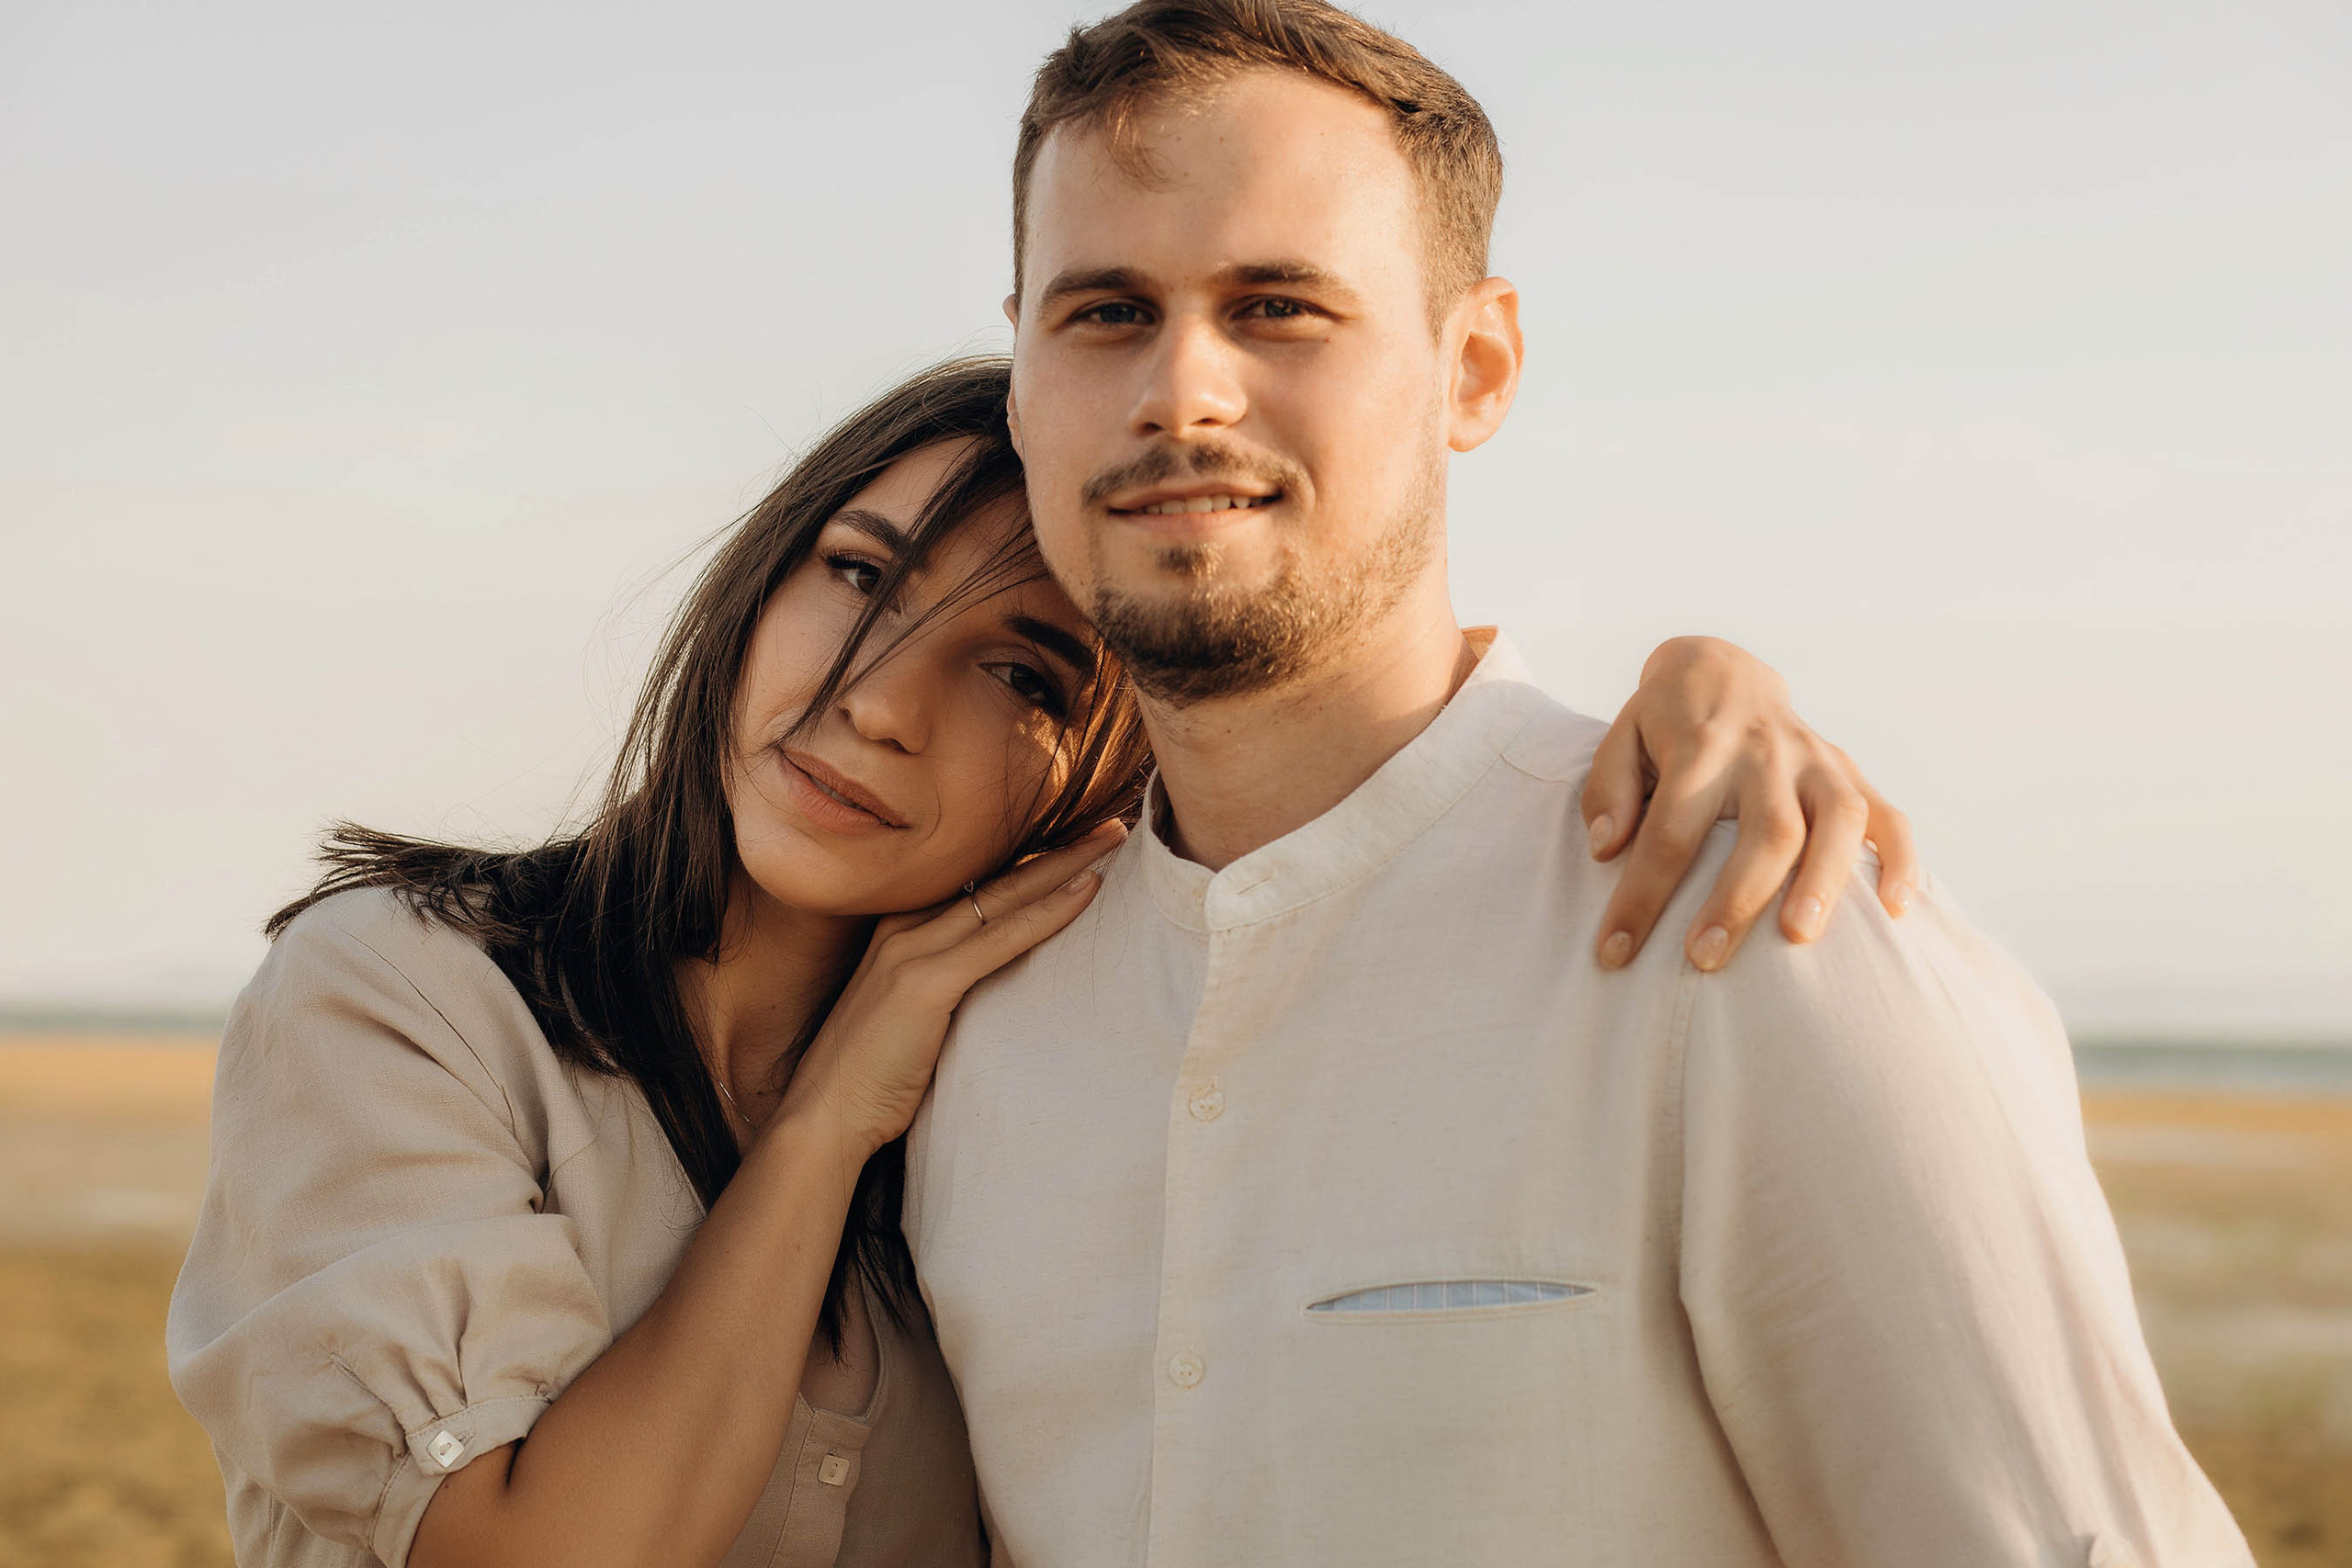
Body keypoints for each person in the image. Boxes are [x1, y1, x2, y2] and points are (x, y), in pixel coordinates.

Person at [903, 5, 2253, 1565]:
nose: (1182, 390)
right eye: (1106, 313)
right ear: (1019, 376)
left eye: (1277, 307)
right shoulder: (979, 1046)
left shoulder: (1755, 925)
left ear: (1474, 368)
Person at [166, 356, 1903, 1568]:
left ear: (1115, 766)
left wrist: (1698, 681)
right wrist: (825, 1126)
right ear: (755, 575)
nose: (876, 699)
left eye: (1022, 675)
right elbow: (543, 1555)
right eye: (857, 574)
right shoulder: (404, 997)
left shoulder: (1038, 1086)